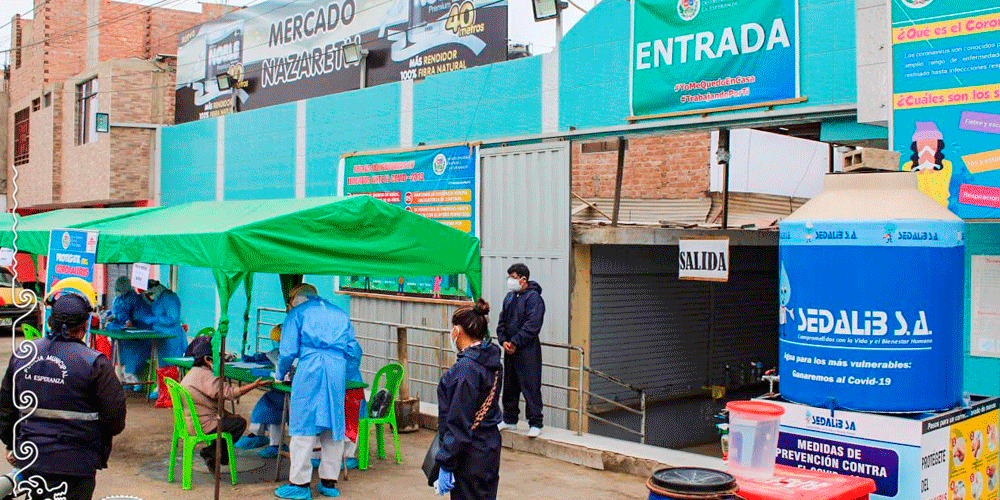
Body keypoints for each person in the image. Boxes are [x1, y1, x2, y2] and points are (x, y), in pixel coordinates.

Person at [0, 281, 127, 500]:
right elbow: (115, 420)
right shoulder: (96, 363)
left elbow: (6, 408)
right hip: (77, 464)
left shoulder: (23, 354)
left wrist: (12, 444)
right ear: (85, 325)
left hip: (31, 459)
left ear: (49, 321)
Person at [275, 284, 362, 500]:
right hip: (336, 369)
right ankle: (329, 482)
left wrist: (280, 374)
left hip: (310, 368)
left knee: (304, 426)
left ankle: (299, 483)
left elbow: (287, 351)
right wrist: (344, 374)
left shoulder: (298, 313)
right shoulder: (339, 313)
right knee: (333, 425)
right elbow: (354, 350)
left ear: (296, 299)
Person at [434, 299, 503, 500]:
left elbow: (459, 420)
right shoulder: (491, 359)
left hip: (469, 453)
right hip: (488, 445)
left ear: (457, 331)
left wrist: (446, 461)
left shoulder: (466, 369)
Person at [180, 336, 271, 470]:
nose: (222, 360)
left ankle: (216, 454)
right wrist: (254, 385)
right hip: (202, 424)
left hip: (191, 420)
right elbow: (229, 393)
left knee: (232, 419)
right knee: (239, 424)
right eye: (218, 357)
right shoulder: (206, 375)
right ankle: (212, 453)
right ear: (207, 359)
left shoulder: (194, 372)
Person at [496, 263, 546, 438]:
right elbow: (501, 322)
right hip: (510, 350)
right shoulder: (509, 298)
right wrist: (504, 341)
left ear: (523, 279)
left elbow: (533, 325)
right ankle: (509, 419)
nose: (510, 281)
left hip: (528, 351)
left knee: (530, 386)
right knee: (509, 385)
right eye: (509, 277)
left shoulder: (534, 299)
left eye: (513, 277)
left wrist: (516, 341)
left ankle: (536, 423)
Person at [105, 276, 153, 384]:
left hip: (136, 336)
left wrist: (133, 321)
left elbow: (139, 315)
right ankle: (125, 378)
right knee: (120, 357)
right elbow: (117, 312)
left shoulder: (134, 298)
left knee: (133, 355)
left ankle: (134, 380)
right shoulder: (118, 298)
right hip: (119, 332)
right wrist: (111, 316)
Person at [133, 279, 188, 360]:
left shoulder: (169, 297)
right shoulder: (158, 298)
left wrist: (155, 319)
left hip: (172, 338)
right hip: (161, 338)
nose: (149, 297)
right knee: (161, 368)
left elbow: (173, 318)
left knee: (172, 367)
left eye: (149, 294)